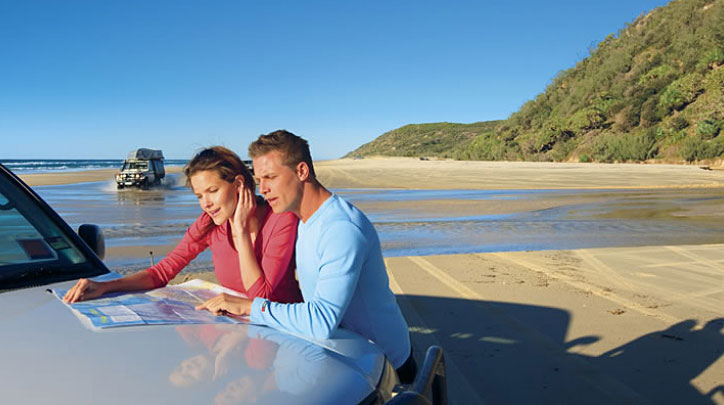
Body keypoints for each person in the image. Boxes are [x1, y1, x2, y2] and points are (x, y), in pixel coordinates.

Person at [196, 131, 417, 383]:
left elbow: (321, 321)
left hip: (383, 366)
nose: (263, 190)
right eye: (259, 180)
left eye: (270, 177)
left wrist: (249, 306)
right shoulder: (305, 219)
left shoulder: (340, 228)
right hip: (343, 351)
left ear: (301, 171)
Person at [63, 146, 303, 308]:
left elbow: (261, 300)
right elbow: (162, 272)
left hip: (281, 338)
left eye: (213, 191)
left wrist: (240, 233)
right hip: (236, 332)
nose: (206, 204)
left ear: (239, 184)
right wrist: (104, 287)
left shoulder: (281, 219)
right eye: (199, 195)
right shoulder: (209, 225)